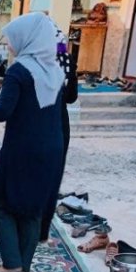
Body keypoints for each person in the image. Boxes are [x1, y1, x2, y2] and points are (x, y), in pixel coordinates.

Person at [0, 13, 65, 272]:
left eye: (12, 38)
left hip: (24, 148)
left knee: (0, 199)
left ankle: (12, 265)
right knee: (32, 206)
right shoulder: (55, 71)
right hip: (52, 147)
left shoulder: (19, 71)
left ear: (28, 39)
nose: (9, 43)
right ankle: (24, 264)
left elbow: (3, 111)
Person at [40, 33, 79, 243]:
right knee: (53, 177)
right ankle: (42, 231)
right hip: (60, 121)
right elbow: (71, 97)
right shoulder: (66, 59)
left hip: (40, 119)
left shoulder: (37, 59)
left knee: (34, 174)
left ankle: (30, 226)